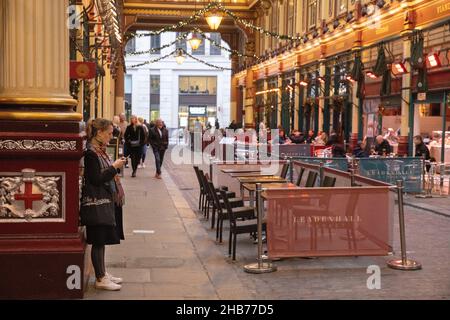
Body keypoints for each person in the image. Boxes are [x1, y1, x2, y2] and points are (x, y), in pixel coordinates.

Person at [81, 118, 126, 291]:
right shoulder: (91, 154)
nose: (110, 137)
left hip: (103, 200)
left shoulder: (99, 151)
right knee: (98, 240)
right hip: (96, 201)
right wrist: (114, 167)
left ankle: (103, 273)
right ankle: (100, 278)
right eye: (108, 133)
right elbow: (96, 179)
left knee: (102, 240)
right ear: (99, 133)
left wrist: (114, 166)